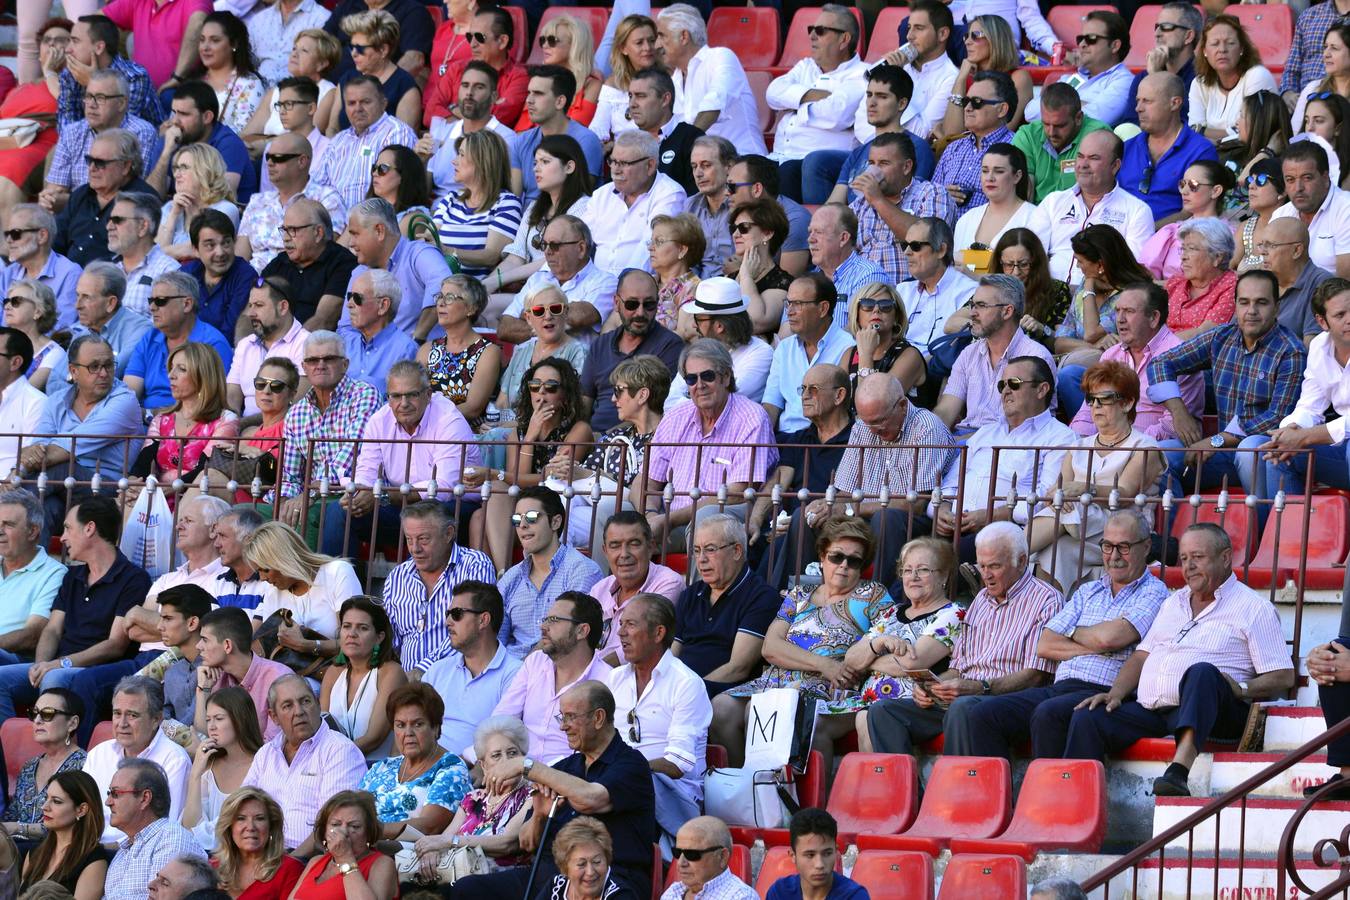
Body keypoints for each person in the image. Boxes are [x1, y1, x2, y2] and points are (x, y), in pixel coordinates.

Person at [1064, 524, 1295, 796]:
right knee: (1088, 718)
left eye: (1198, 557)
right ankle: (1072, 807)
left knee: (1202, 672)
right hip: (1154, 710)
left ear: (1225, 557)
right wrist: (1114, 694)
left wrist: (1243, 689)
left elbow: (1283, 676)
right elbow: (1142, 656)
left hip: (1215, 712)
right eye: (1184, 559)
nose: (1189, 566)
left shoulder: (1254, 608)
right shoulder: (1173, 603)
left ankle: (1178, 772)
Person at [714, 517, 891, 779]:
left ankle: (798, 800)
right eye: (836, 557)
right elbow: (770, 647)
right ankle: (745, 786)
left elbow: (881, 643)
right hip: (776, 682)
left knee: (765, 711)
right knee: (720, 707)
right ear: (822, 556)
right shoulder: (799, 595)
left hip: (827, 689)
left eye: (854, 561)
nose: (843, 566)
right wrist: (824, 664)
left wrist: (832, 669)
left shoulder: (873, 595)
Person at [860, 522, 1059, 755]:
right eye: (982, 566)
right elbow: (958, 668)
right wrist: (934, 687)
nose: (986, 575)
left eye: (995, 566)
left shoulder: (1046, 600)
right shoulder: (981, 600)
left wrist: (980, 687)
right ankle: (905, 789)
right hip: (967, 696)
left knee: (964, 707)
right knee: (883, 711)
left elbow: (1036, 675)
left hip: (1010, 699)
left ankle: (955, 788)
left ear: (1022, 561)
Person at [455, 681, 655, 900]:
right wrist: (540, 816)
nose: (563, 726)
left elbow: (591, 798)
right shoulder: (566, 768)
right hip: (550, 877)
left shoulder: (631, 765)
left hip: (607, 879)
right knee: (467, 889)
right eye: (562, 717)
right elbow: (526, 843)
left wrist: (527, 766)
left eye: (570, 717)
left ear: (598, 718)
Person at [774, 374, 951, 591]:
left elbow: (916, 503)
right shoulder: (863, 426)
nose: (872, 430)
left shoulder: (926, 428)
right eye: (867, 422)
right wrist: (824, 505)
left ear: (903, 406)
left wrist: (849, 508)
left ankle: (876, 602)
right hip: (863, 515)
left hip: (910, 522)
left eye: (879, 422)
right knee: (807, 517)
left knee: (886, 518)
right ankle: (793, 599)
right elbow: (845, 489)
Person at [1150, 268, 1305, 497]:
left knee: (1248, 447)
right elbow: (1161, 362)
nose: (1251, 311)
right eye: (1244, 302)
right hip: (1223, 455)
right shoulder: (1221, 337)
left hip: (1263, 453)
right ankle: (1173, 530)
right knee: (1159, 456)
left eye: (1261, 302)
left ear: (1276, 307)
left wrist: (1216, 440)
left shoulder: (1290, 352)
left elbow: (1277, 417)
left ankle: (1259, 531)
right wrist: (1178, 412)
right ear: (1235, 305)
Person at [0, 497, 149, 723]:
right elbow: (52, 630)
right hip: (56, 666)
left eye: (68, 528)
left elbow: (115, 645)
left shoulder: (133, 579)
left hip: (95, 672)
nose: (63, 537)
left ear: (89, 528)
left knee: (54, 679)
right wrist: (41, 664)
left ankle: (50, 752)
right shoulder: (72, 576)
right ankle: (8, 749)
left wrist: (59, 664)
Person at [320, 359, 478, 558]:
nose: (403, 404)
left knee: (426, 516)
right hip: (402, 507)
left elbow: (443, 488)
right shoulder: (379, 420)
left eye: (412, 395)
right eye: (395, 396)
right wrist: (359, 495)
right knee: (339, 511)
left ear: (428, 394)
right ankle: (342, 585)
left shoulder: (448, 420)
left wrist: (381, 496)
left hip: (453, 509)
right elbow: (367, 472)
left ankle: (414, 587)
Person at [1029, 364, 1165, 590]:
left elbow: (1124, 493)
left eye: (1105, 399)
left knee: (1079, 508)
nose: (1096, 406)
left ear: (1127, 403)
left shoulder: (1145, 447)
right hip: (1078, 529)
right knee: (1055, 550)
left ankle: (1010, 556)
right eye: (1091, 400)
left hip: (1125, 528)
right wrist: (1059, 496)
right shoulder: (1078, 446)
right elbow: (1057, 490)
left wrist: (1083, 489)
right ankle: (1047, 615)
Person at [932, 357, 1076, 564]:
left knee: (937, 557)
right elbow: (952, 482)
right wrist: (942, 510)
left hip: (1001, 530)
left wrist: (991, 515)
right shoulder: (985, 433)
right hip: (951, 525)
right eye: (1002, 385)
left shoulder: (1060, 438)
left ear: (1042, 389)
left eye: (1014, 383)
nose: (1005, 390)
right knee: (896, 523)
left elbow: (1046, 500)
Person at [635, 340, 778, 546]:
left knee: (706, 523)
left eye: (707, 376)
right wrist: (649, 516)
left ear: (726, 377)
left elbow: (736, 494)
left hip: (724, 517)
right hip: (666, 519)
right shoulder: (676, 416)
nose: (699, 385)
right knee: (612, 513)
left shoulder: (752, 418)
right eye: (691, 379)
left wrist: (669, 520)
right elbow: (646, 480)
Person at [605, 593, 710, 849]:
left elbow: (678, 764)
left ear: (658, 632)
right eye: (620, 624)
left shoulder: (686, 684)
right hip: (615, 784)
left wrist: (621, 772)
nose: (621, 633)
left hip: (671, 794)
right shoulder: (614, 679)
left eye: (631, 624)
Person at [19, 337, 145, 534]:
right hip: (60, 490)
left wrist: (17, 473)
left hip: (105, 488)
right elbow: (38, 449)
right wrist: (29, 457)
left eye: (109, 365)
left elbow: (65, 448)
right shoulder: (56, 401)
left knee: (60, 468)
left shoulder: (124, 401)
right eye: (94, 367)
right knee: (47, 507)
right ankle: (30, 564)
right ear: (73, 371)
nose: (103, 373)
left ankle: (10, 508)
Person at [479, 357, 593, 569]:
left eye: (551, 387)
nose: (541, 393)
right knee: (481, 514)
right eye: (535, 386)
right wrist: (530, 437)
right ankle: (499, 576)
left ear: (565, 396)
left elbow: (547, 479)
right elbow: (517, 486)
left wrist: (497, 473)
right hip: (521, 507)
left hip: (554, 507)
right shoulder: (519, 432)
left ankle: (504, 578)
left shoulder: (579, 430)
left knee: (484, 512)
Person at [272, 330, 381, 534]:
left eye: (328, 359)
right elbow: (289, 474)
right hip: (309, 497)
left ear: (345, 365)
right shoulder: (296, 412)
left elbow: (350, 458)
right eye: (313, 360)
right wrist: (286, 504)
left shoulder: (364, 395)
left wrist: (310, 494)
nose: (320, 365)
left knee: (309, 516)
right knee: (249, 513)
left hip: (348, 494)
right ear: (304, 367)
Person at [555, 357, 670, 550]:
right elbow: (585, 472)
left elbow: (642, 483)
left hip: (634, 512)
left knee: (557, 524)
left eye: (619, 391)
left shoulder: (668, 434)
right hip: (596, 507)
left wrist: (587, 475)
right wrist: (565, 469)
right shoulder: (617, 434)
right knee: (555, 493)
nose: (613, 399)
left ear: (642, 395)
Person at [1067, 282, 1205, 441]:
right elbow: (1088, 410)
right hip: (1110, 444)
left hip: (1155, 447)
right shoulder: (1111, 355)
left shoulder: (1182, 356)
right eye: (1118, 311)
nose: (1120, 319)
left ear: (1154, 318)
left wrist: (1127, 446)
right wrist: (1078, 442)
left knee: (1167, 450)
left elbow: (1175, 425)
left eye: (1129, 311)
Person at [243, 675, 367, 851]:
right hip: (259, 854)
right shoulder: (265, 754)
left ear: (318, 704)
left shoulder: (340, 750)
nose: (299, 711)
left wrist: (291, 863)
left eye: (305, 701)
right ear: (274, 717)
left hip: (305, 859)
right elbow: (242, 808)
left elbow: (334, 827)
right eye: (288, 706)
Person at [491, 592, 610, 762]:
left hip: (567, 780)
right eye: (545, 620)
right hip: (517, 773)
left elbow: (600, 752)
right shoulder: (536, 662)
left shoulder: (607, 680)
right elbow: (502, 719)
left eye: (553, 620)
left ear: (582, 631)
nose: (543, 627)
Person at [480, 136, 591, 316]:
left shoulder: (585, 207)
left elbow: (552, 259)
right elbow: (516, 256)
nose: (536, 169)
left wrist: (497, 282)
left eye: (545, 162)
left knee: (486, 308)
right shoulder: (534, 207)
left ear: (569, 167)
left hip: (559, 293)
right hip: (528, 289)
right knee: (476, 303)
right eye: (535, 163)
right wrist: (485, 284)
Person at [933, 275, 1056, 434]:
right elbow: (946, 411)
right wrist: (928, 435)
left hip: (1009, 447)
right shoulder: (969, 354)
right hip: (965, 444)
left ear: (1007, 311)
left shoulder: (1036, 358)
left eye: (981, 306)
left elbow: (1031, 427)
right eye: (972, 305)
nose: (972, 313)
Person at [409, 715, 533, 873]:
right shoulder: (473, 798)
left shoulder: (531, 796)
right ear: (483, 765)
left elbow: (506, 843)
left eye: (512, 753)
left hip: (499, 879)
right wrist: (433, 850)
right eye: (496, 755)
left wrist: (450, 842)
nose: (506, 761)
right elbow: (443, 839)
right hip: (458, 873)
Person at [1259, 279, 1350, 496]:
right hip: (1343, 447)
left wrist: (1306, 436)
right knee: (1282, 456)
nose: (1349, 320)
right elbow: (1309, 405)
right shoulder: (1320, 346)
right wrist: (1290, 430)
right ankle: (1286, 529)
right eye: (1340, 315)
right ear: (1322, 322)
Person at [672, 515, 781, 695]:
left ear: (737, 551)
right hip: (678, 692)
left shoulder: (761, 597)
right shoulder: (691, 594)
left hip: (722, 694)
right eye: (697, 550)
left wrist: (689, 694)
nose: (701, 559)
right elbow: (672, 657)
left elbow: (738, 668)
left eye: (710, 549)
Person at [765, 4, 867, 187]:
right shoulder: (806, 66)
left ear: (844, 39)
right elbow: (772, 93)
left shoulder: (863, 74)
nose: (811, 36)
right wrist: (811, 95)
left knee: (785, 175)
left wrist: (796, 105)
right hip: (778, 157)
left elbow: (835, 114)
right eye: (811, 29)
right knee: (742, 169)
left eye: (820, 31)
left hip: (814, 164)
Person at [83, 677, 192, 844]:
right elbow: (82, 813)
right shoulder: (98, 754)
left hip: (141, 854)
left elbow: (167, 828)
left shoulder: (175, 760)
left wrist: (114, 848)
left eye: (132, 715)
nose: (122, 723)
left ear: (156, 719)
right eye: (117, 713)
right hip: (90, 848)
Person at [419, 580, 523, 755]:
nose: (448, 622)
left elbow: (503, 737)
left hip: (470, 773)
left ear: (483, 620)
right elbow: (409, 724)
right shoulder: (437, 671)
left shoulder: (515, 674)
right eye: (448, 614)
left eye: (457, 614)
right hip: (421, 766)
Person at [1041, 130, 1156, 285]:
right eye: (1080, 156)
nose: (1083, 165)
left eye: (1094, 158)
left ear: (1115, 166)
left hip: (1102, 299)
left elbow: (1130, 269)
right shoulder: (1053, 201)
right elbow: (1031, 252)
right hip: (1049, 294)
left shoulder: (1137, 211)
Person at [812, 63, 936, 207]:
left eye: (882, 97)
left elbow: (913, 203)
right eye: (869, 95)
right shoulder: (859, 152)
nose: (871, 103)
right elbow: (834, 204)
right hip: (852, 225)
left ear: (901, 104)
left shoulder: (916, 148)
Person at [358, 681, 469, 840]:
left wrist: (366, 832)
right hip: (364, 847)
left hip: (407, 856)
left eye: (418, 724)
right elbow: (354, 811)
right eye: (400, 725)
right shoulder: (383, 767)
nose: (408, 732)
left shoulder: (451, 767)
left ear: (436, 727)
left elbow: (429, 826)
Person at [497, 489, 604, 654]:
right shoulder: (510, 579)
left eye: (532, 517)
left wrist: (525, 671)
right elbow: (496, 642)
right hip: (510, 671)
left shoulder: (582, 570)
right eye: (517, 519)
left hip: (559, 668)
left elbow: (568, 635)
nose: (523, 525)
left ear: (555, 522)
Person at [580, 270, 683, 433]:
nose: (640, 313)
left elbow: (656, 414)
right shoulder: (601, 344)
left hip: (634, 441)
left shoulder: (670, 346)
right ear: (616, 303)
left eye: (649, 305)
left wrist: (604, 439)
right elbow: (583, 406)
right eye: (632, 304)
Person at [654, 5, 766, 155]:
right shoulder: (675, 79)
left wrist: (682, 147)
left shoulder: (720, 57)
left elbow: (713, 106)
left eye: (662, 36)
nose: (657, 45)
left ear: (684, 37)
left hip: (742, 162)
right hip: (700, 169)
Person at [341, 198, 454, 340]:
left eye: (355, 234)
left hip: (422, 357)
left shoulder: (420, 254)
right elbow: (346, 329)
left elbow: (444, 288)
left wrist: (416, 340)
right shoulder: (359, 273)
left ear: (379, 231)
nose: (351, 244)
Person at [848, 132, 953, 284]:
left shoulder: (932, 193)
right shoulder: (860, 204)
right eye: (871, 163)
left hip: (911, 295)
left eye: (883, 163)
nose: (874, 170)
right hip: (863, 297)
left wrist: (878, 200)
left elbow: (926, 241)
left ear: (906, 167)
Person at [1053, 225, 1158, 375]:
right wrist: (1095, 346)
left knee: (1068, 373)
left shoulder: (1134, 293)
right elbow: (1060, 342)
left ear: (1100, 265)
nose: (1077, 266)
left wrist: (1089, 288)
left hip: (1120, 372)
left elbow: (1091, 333)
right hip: (1082, 363)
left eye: (1080, 261)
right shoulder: (1084, 284)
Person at [497, 217, 618, 345]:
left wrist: (531, 316)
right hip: (529, 362)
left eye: (555, 245)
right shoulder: (537, 278)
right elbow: (505, 328)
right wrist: (551, 325)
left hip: (570, 363)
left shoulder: (605, 282)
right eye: (544, 245)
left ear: (581, 249)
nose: (547, 252)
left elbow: (578, 317)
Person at [123, 274, 234, 412]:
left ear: (187, 304)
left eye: (160, 301)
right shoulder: (150, 338)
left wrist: (152, 415)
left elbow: (208, 404)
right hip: (143, 422)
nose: (152, 307)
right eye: (151, 300)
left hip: (187, 425)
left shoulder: (212, 344)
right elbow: (129, 393)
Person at [1119, 73, 1221, 222]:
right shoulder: (1127, 147)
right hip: (1118, 235)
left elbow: (1192, 212)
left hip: (1171, 239)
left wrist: (1146, 233)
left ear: (1174, 103)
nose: (1138, 108)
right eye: (1138, 101)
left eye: (1147, 101)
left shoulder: (1200, 151)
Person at [236, 134, 345, 273]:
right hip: (254, 283)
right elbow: (240, 256)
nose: (269, 163)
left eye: (278, 158)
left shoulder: (326, 199)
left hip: (298, 281)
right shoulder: (257, 201)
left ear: (302, 161)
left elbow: (327, 251)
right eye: (268, 157)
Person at [763, 275, 857, 437]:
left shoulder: (848, 346)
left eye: (798, 304)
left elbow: (844, 407)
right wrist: (762, 441)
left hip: (826, 439)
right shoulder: (785, 347)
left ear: (823, 309)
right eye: (788, 303)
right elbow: (771, 403)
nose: (789, 312)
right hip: (786, 438)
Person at [582, 131, 686, 277]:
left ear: (650, 166)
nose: (616, 170)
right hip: (596, 284)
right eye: (613, 161)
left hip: (640, 289)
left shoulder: (669, 194)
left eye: (624, 163)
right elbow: (576, 239)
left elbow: (650, 246)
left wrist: (624, 286)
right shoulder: (602, 194)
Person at [51, 132, 159, 269]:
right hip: (67, 279)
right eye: (89, 160)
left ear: (125, 166)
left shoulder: (143, 200)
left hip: (112, 281)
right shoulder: (80, 195)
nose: (91, 168)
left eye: (100, 163)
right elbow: (56, 243)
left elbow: (141, 254)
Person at [244, 522, 361, 648]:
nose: (262, 578)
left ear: (284, 559)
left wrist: (306, 645)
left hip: (340, 666)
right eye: (258, 571)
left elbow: (355, 642)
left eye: (266, 569)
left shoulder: (337, 572)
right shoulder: (272, 591)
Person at [103, 758, 207, 900]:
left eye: (115, 794)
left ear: (145, 798)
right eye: (109, 793)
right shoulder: (123, 851)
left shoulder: (171, 839)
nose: (108, 802)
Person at [308, 75, 416, 212]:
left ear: (383, 103)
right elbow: (317, 186)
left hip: (376, 221)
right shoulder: (338, 141)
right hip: (334, 222)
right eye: (351, 103)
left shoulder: (397, 133)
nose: (358, 108)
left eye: (365, 102)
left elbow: (399, 190)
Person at [318, 598, 406, 763]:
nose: (352, 633)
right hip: (332, 766)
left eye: (363, 628)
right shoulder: (333, 672)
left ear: (379, 637)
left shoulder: (391, 673)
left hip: (374, 769)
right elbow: (322, 731)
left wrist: (333, 759)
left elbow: (374, 737)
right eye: (346, 626)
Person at [181, 686, 263, 852]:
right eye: (208, 719)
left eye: (218, 718)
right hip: (206, 858)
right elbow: (189, 826)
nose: (211, 727)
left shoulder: (262, 763)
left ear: (240, 719)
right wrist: (196, 773)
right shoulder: (208, 766)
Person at [508, 65, 604, 206]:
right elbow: (512, 198)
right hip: (526, 222)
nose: (529, 100)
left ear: (560, 101)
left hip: (566, 221)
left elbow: (574, 200)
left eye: (538, 93)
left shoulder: (585, 141)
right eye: (529, 92)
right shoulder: (521, 141)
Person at [149, 81, 257, 206]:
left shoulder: (229, 144)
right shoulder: (171, 139)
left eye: (184, 114)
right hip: (181, 215)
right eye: (174, 112)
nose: (175, 121)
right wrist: (166, 153)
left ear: (207, 117)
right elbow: (151, 199)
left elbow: (222, 198)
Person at [431, 130, 521, 278]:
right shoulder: (451, 199)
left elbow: (491, 256)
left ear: (482, 160)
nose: (454, 161)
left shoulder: (506, 203)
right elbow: (431, 237)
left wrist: (448, 251)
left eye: (461, 154)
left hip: (473, 292)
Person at [194, 607, 292, 741]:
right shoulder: (216, 677)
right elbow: (203, 737)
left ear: (227, 645)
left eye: (205, 640)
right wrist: (203, 689)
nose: (198, 646)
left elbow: (274, 747)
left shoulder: (279, 679)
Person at [1, 688, 87, 841]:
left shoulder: (85, 764)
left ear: (72, 723)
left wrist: (18, 828)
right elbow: (10, 816)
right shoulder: (29, 767)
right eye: (34, 713)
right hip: (19, 850)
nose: (37, 720)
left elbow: (76, 824)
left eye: (47, 714)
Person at [259, 199, 358, 330]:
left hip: (311, 346)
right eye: (284, 230)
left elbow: (324, 320)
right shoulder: (279, 262)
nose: (285, 238)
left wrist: (288, 349)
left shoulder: (342, 263)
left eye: (293, 230)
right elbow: (252, 308)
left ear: (318, 233)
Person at [492, 290, 588, 423]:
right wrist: (494, 425)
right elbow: (502, 402)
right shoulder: (521, 350)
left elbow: (574, 409)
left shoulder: (579, 352)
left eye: (555, 309)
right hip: (508, 429)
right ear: (528, 318)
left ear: (565, 313)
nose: (548, 316)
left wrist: (512, 427)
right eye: (539, 311)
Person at [50, 15, 162, 129]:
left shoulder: (134, 78)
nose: (68, 49)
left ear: (99, 47)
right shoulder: (70, 74)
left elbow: (120, 133)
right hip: (87, 143)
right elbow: (66, 130)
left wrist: (93, 83)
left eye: (75, 41)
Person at [933, 70, 1019, 220]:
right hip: (944, 236)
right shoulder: (953, 148)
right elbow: (930, 196)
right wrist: (942, 195)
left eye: (977, 102)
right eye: (966, 101)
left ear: (1001, 109)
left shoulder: (1016, 147)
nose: (967, 108)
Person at [417, 275, 500, 429]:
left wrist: (429, 422)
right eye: (440, 297)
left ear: (471, 308)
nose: (441, 303)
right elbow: (415, 395)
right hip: (425, 433)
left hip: (463, 436)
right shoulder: (426, 350)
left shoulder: (488, 352)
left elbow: (473, 408)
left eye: (449, 298)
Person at [425, 7, 527, 129]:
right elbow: (429, 114)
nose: (472, 44)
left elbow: (494, 120)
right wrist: (465, 118)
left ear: (502, 41)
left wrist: (452, 108)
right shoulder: (457, 68)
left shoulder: (519, 77)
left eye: (479, 37)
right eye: (469, 37)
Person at [676, 278, 775, 405]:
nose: (694, 326)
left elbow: (724, 400)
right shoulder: (699, 351)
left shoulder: (760, 354)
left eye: (698, 319)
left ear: (719, 326)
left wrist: (687, 396)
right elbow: (670, 401)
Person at [952, 143, 1047, 273]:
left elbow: (1034, 273)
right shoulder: (966, 219)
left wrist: (975, 277)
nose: (990, 178)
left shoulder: (1035, 217)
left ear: (1017, 176)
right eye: (985, 171)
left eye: (999, 171)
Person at [934, 18, 1030, 144]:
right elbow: (951, 135)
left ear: (996, 40)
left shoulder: (1019, 78)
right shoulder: (966, 78)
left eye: (976, 35)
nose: (968, 42)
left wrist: (943, 135)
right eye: (966, 36)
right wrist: (960, 78)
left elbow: (999, 134)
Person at [225, 279, 310, 421]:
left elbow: (296, 405)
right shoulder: (246, 344)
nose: (250, 313)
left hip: (283, 433)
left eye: (259, 305)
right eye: (250, 305)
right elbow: (232, 394)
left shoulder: (306, 344)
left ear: (282, 307)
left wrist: (242, 427)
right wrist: (230, 422)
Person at [1030, 11, 1134, 127]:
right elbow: (1030, 112)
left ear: (1115, 46)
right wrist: (1079, 105)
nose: (1082, 44)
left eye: (1091, 38)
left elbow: (1096, 119)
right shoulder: (1074, 77)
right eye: (1081, 39)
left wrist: (1054, 103)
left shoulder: (1125, 81)